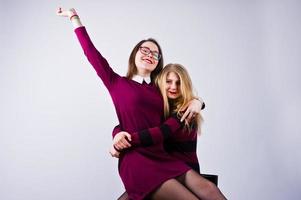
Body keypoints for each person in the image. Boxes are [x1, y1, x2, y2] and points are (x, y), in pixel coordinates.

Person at [57, 8, 210, 200]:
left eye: (155, 54)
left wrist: (198, 101)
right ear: (134, 54)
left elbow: (178, 107)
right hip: (137, 158)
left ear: (158, 62)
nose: (149, 55)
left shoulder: (160, 90)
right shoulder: (117, 83)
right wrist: (74, 18)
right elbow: (91, 53)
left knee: (208, 191)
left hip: (163, 157)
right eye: (144, 50)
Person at [111, 64, 227, 200]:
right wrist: (117, 135)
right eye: (169, 82)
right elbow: (131, 124)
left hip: (183, 171)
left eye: (178, 83)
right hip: (159, 169)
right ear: (160, 83)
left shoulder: (186, 110)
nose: (174, 87)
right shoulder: (157, 108)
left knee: (210, 190)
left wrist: (125, 141)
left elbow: (162, 132)